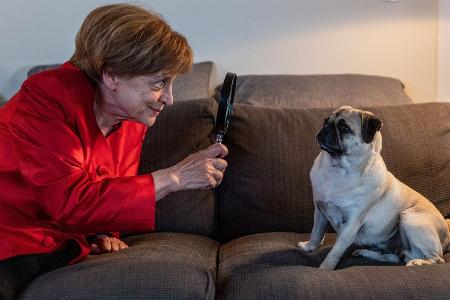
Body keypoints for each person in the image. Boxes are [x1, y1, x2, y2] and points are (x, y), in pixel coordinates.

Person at [0, 3, 228, 299]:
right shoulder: (45, 98)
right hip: (11, 233)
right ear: (111, 75)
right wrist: (174, 177)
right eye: (159, 83)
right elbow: (71, 201)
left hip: (60, 242)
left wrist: (104, 233)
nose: (169, 99)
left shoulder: (132, 118)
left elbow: (108, 187)